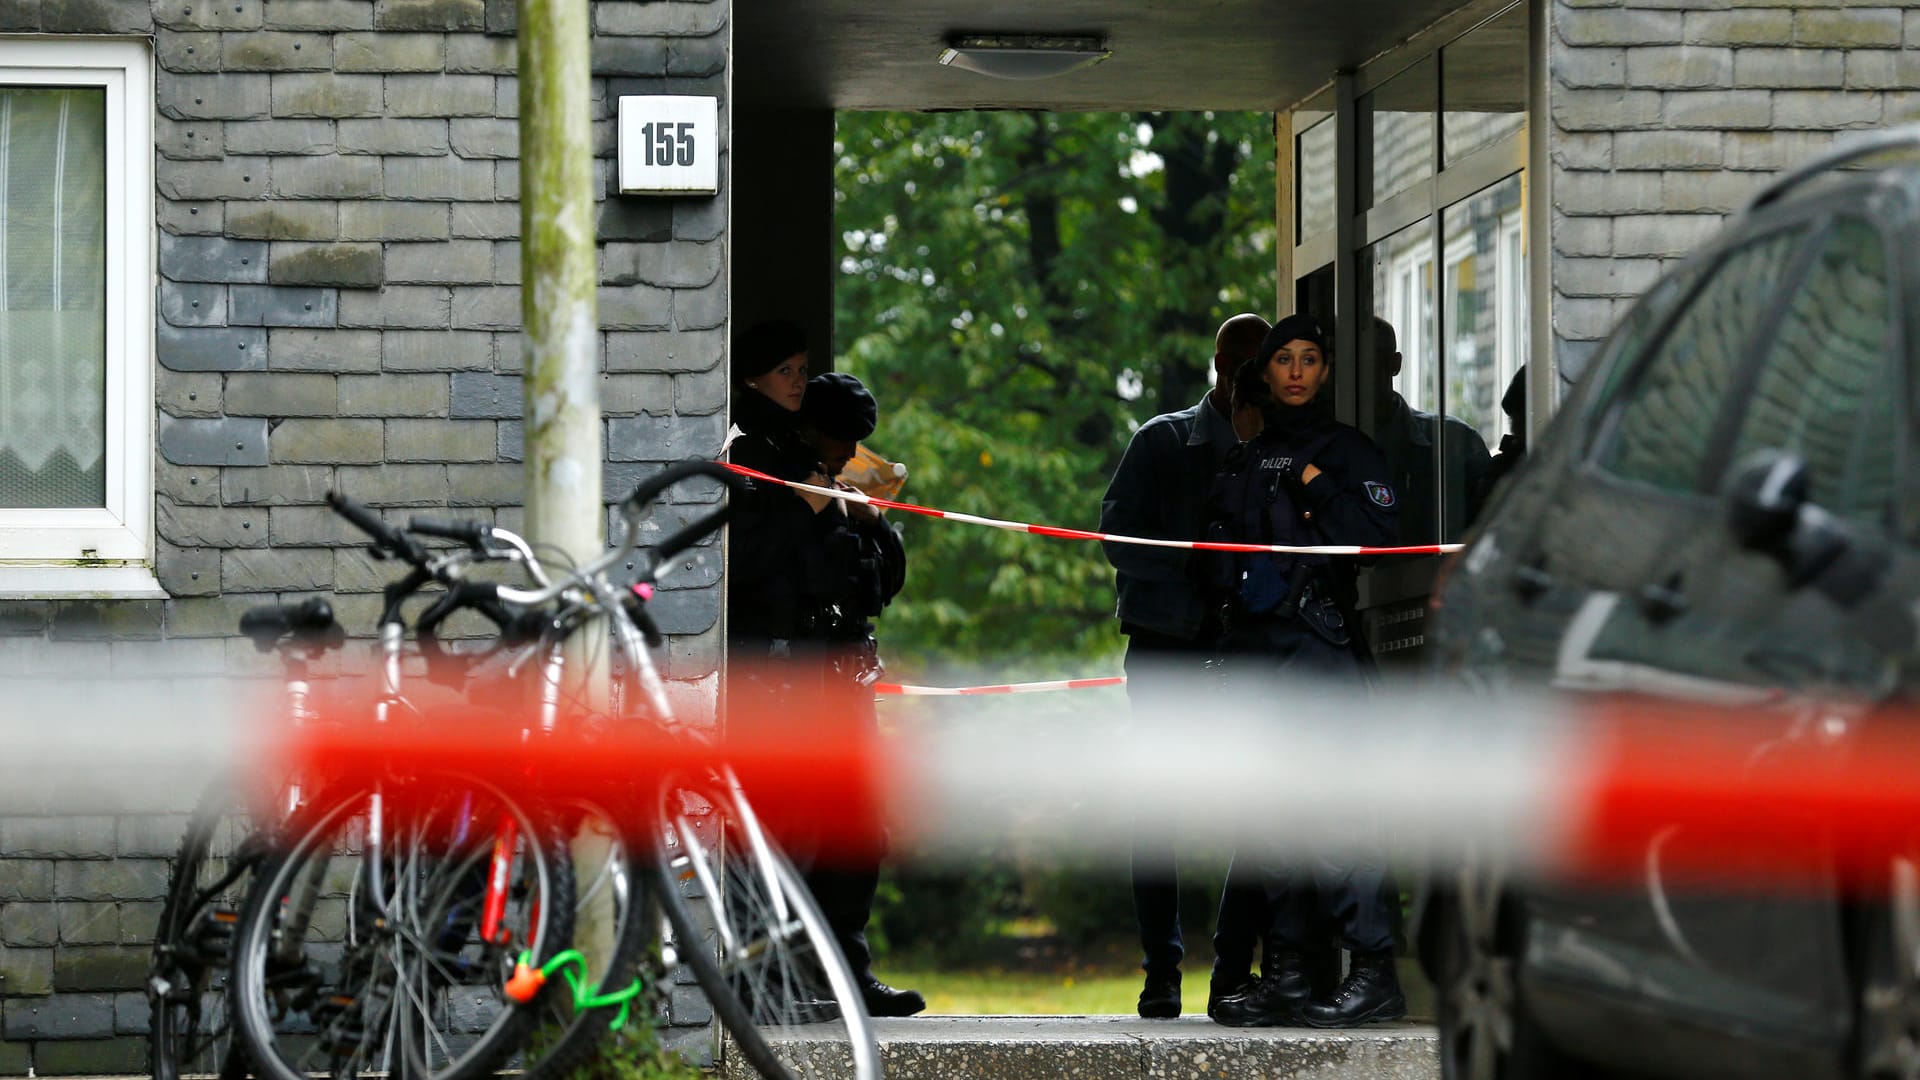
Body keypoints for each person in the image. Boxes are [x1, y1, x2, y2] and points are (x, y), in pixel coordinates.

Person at [1202, 313, 1407, 1029]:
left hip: (1319, 651)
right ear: (1263, 373)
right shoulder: (1244, 457)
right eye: (1283, 359)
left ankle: (1375, 972)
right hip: (1258, 655)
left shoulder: (1347, 450)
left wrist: (1315, 478)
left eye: (1310, 359)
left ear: (1326, 372)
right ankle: (1286, 975)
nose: (1295, 371)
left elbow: (1379, 534)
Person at [725, 321, 925, 1018]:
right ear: (755, 377)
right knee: (788, 828)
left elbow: (883, 578)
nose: (799, 382)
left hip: (845, 670)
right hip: (783, 674)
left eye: (805, 370)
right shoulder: (746, 455)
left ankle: (846, 970)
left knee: (858, 827)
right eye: (789, 371)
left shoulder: (829, 466)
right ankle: (774, 978)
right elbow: (742, 570)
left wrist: (869, 522)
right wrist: (807, 512)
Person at [1099, 313, 1272, 1020]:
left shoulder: (1283, 449)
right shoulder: (1161, 440)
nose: (1250, 379)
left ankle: (1232, 969)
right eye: (1242, 364)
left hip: (1248, 653)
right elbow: (1116, 535)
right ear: (1218, 364)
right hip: (1170, 649)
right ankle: (1161, 972)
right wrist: (1196, 565)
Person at [1363, 316, 1493, 544]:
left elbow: (1491, 539)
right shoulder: (1322, 445)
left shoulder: (1456, 443)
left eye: (1369, 362)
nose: (1360, 375)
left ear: (1394, 364)